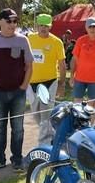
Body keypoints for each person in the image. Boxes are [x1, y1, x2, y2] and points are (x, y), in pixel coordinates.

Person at [0, 9, 33, 169]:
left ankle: (17, 158)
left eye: (15, 21)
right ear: (1, 22)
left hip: (18, 93)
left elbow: (29, 66)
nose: (13, 24)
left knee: (18, 128)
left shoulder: (23, 40)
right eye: (9, 21)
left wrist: (23, 87)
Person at [27, 13, 66, 144]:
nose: (43, 28)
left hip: (50, 82)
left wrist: (62, 84)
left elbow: (62, 64)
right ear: (37, 26)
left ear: (50, 27)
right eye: (41, 25)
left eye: (46, 26)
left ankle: (44, 143)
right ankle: (54, 134)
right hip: (31, 82)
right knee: (36, 114)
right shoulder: (29, 39)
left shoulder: (56, 42)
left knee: (46, 114)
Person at [69, 18, 95, 107]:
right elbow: (74, 59)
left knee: (92, 104)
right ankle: (78, 121)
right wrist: (72, 75)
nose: (92, 29)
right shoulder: (80, 40)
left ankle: (90, 121)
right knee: (77, 104)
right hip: (79, 78)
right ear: (86, 28)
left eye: (94, 27)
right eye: (90, 27)